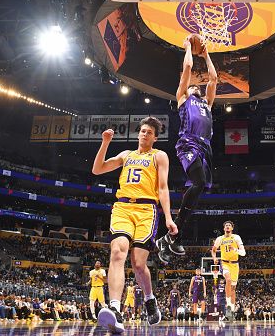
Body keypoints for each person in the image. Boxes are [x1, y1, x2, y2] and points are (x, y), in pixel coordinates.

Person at [92, 117, 178, 333]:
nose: (144, 134)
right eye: (142, 131)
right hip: (122, 208)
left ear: (155, 137)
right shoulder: (126, 155)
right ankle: (115, 309)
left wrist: (168, 217)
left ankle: (149, 298)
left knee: (138, 264)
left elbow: (163, 188)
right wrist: (105, 142)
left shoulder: (159, 156)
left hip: (146, 210)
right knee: (117, 253)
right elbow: (97, 169)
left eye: (149, 132)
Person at [155, 34, 218, 263]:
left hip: (205, 148)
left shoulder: (207, 104)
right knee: (199, 182)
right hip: (188, 143)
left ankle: (172, 237)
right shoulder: (182, 98)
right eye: (192, 86)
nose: (195, 87)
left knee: (199, 189)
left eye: (196, 87)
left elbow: (213, 79)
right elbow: (189, 67)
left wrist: (207, 53)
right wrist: (188, 47)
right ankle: (173, 235)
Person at [211, 221, 245, 310]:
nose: (227, 226)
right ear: (224, 228)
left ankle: (232, 309)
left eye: (229, 225)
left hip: (235, 264)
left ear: (232, 228)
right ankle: (228, 303)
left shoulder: (236, 237)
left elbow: (243, 253)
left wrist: (235, 249)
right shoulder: (220, 239)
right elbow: (213, 250)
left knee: (233, 288)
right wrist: (214, 258)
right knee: (228, 280)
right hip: (224, 263)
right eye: (226, 225)